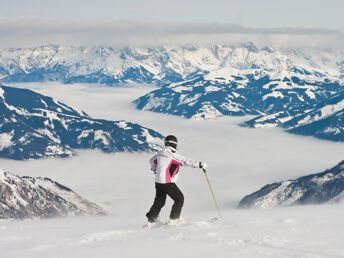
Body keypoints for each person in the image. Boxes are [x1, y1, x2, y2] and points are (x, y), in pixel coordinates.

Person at [145, 135, 207, 224]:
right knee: (179, 199)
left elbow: (151, 161)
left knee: (160, 201)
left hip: (158, 181)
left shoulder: (160, 153)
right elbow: (185, 161)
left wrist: (155, 170)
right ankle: (174, 220)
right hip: (167, 182)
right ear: (174, 144)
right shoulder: (172, 155)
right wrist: (200, 164)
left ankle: (151, 220)